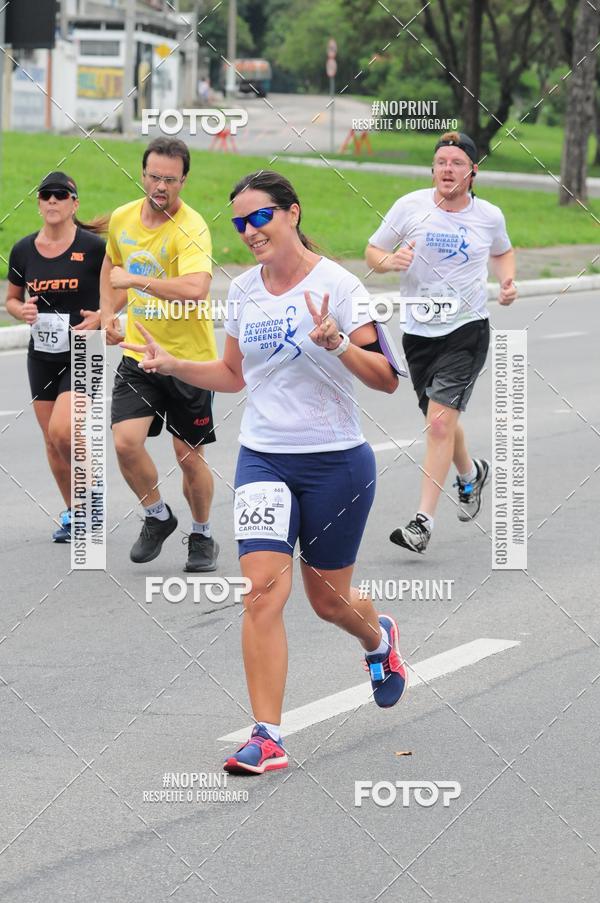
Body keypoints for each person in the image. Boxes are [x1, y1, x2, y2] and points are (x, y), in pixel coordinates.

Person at [121, 171, 408, 775]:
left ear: (292, 213)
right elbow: (233, 375)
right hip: (264, 459)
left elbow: (385, 379)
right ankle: (267, 736)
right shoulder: (245, 291)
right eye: (240, 223)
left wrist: (336, 345)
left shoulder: (340, 285)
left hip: (336, 461)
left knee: (329, 601)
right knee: (261, 594)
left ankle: (379, 640)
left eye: (260, 218)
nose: (250, 232)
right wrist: (175, 364)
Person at [366, 131, 517, 554]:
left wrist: (507, 280)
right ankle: (471, 475)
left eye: (456, 162)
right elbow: (373, 251)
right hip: (418, 333)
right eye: (441, 162)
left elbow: (503, 251)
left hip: (466, 330)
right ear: (432, 169)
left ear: (472, 172)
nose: (447, 169)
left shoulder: (488, 215)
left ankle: (423, 522)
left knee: (437, 423)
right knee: (442, 420)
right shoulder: (410, 206)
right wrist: (388, 261)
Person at [100, 137, 219, 572]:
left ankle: (203, 534)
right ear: (142, 173)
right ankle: (157, 516)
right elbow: (111, 265)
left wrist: (133, 281)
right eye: (154, 176)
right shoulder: (123, 218)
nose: (160, 185)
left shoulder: (192, 226)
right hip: (139, 357)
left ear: (183, 179)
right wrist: (110, 312)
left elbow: (195, 288)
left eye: (170, 179)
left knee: (189, 458)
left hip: (189, 361)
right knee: (125, 444)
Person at [5, 171, 106, 543]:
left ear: (74, 204)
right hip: (42, 355)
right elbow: (12, 299)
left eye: (60, 195)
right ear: (38, 203)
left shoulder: (94, 248)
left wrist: (103, 317)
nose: (51, 201)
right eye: (45, 195)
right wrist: (21, 312)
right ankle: (76, 512)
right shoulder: (23, 250)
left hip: (83, 350)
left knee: (65, 429)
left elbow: (119, 288)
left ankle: (92, 491)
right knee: (51, 438)